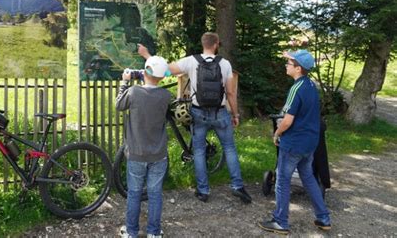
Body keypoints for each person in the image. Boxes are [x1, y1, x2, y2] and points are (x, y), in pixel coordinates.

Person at [138, 32, 252, 204]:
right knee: (229, 148)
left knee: (198, 151)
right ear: (216, 45)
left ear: (202, 43)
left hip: (198, 112)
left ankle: (203, 191)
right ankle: (237, 186)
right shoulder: (225, 64)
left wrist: (147, 56)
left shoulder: (191, 61)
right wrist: (235, 114)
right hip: (220, 112)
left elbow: (165, 69)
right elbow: (230, 92)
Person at [258, 49, 331, 235]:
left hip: (294, 143)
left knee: (282, 180)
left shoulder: (296, 88)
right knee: (308, 177)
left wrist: (276, 133)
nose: (286, 65)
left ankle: (280, 222)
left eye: (289, 63)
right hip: (310, 143)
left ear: (298, 68)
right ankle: (323, 218)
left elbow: (287, 120)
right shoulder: (311, 86)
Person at [116, 55, 172, 238]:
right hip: (158, 154)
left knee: (134, 193)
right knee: (155, 194)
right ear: (163, 77)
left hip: (136, 153)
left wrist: (124, 82)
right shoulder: (166, 96)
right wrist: (147, 76)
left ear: (144, 71)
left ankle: (131, 232)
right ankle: (153, 233)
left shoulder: (133, 92)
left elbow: (119, 105)